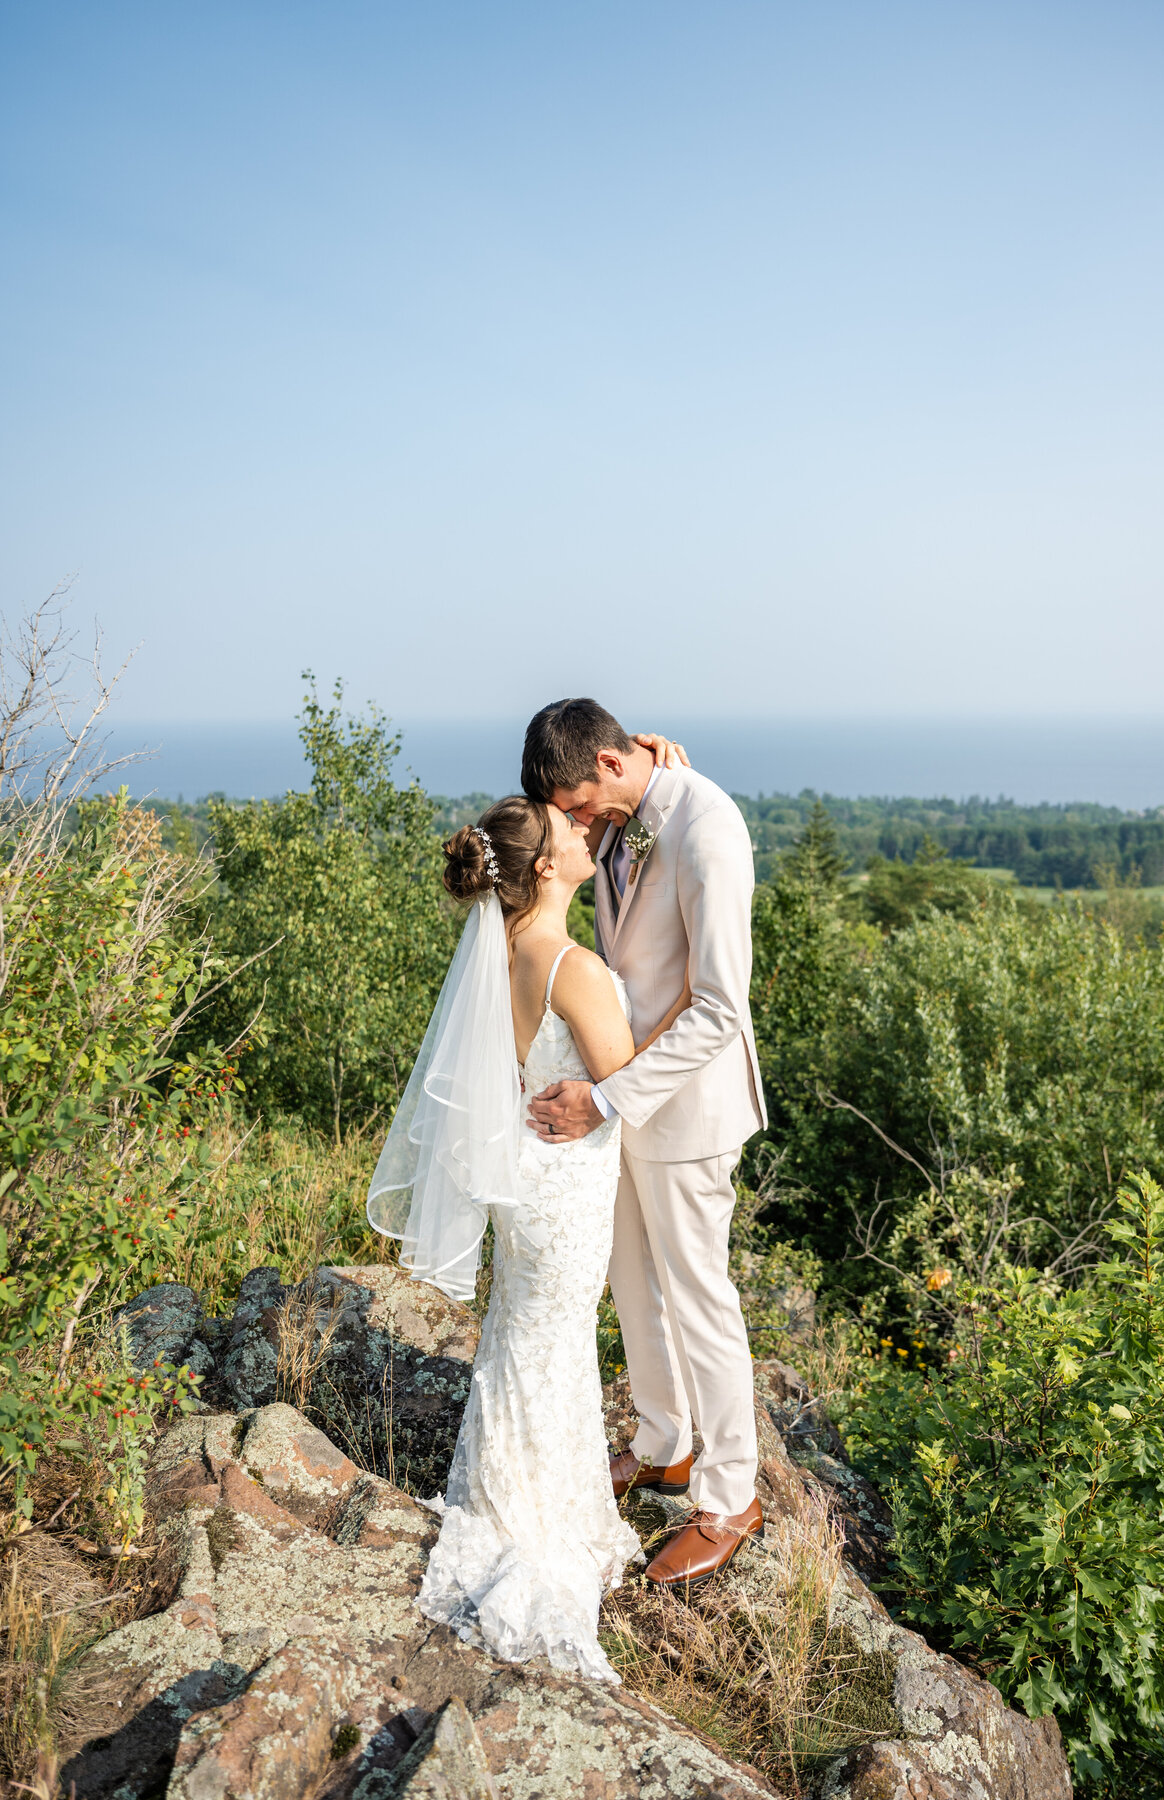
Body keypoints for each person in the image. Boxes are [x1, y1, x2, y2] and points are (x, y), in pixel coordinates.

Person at [367, 751, 687, 1681]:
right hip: (567, 1183)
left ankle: (516, 1499)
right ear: (543, 868)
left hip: (529, 1187)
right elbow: (633, 1077)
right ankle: (541, 1527)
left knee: (527, 1336)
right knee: (551, 1343)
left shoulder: (506, 954)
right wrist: (699, 1002)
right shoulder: (572, 965)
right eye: (569, 831)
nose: (584, 831)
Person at [522, 699, 767, 1591]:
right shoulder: (630, 806)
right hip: (621, 1100)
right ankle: (662, 1444)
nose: (579, 824)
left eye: (582, 805)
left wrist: (605, 1098)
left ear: (613, 764)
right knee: (630, 1278)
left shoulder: (706, 830)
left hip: (686, 1112)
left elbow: (718, 1009)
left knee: (700, 1298)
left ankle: (730, 1495)